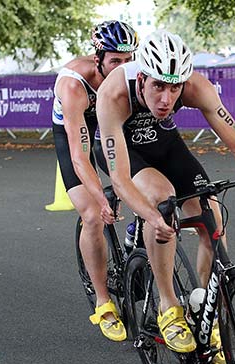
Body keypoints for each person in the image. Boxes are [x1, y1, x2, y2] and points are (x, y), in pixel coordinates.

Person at [95, 30, 235, 364]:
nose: (167, 98)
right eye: (158, 86)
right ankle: (168, 305)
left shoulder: (196, 87)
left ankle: (206, 310)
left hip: (165, 143)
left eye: (174, 88)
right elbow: (121, 179)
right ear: (141, 78)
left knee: (210, 212)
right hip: (124, 152)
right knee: (162, 200)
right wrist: (149, 216)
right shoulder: (114, 92)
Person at [52, 20, 139, 342]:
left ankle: (136, 236)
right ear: (98, 57)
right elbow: (79, 156)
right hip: (77, 128)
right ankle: (103, 302)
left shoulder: (133, 75)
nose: (123, 68)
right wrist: (102, 200)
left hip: (110, 120)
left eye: (129, 60)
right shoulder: (74, 84)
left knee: (143, 183)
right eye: (115, 61)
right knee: (92, 214)